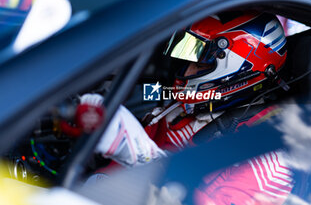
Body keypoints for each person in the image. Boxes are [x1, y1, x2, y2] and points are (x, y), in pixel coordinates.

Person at [79, 11, 295, 204]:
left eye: (202, 64)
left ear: (241, 70)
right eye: (190, 60)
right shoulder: (178, 107)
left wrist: (146, 157)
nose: (188, 72)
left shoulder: (266, 157)